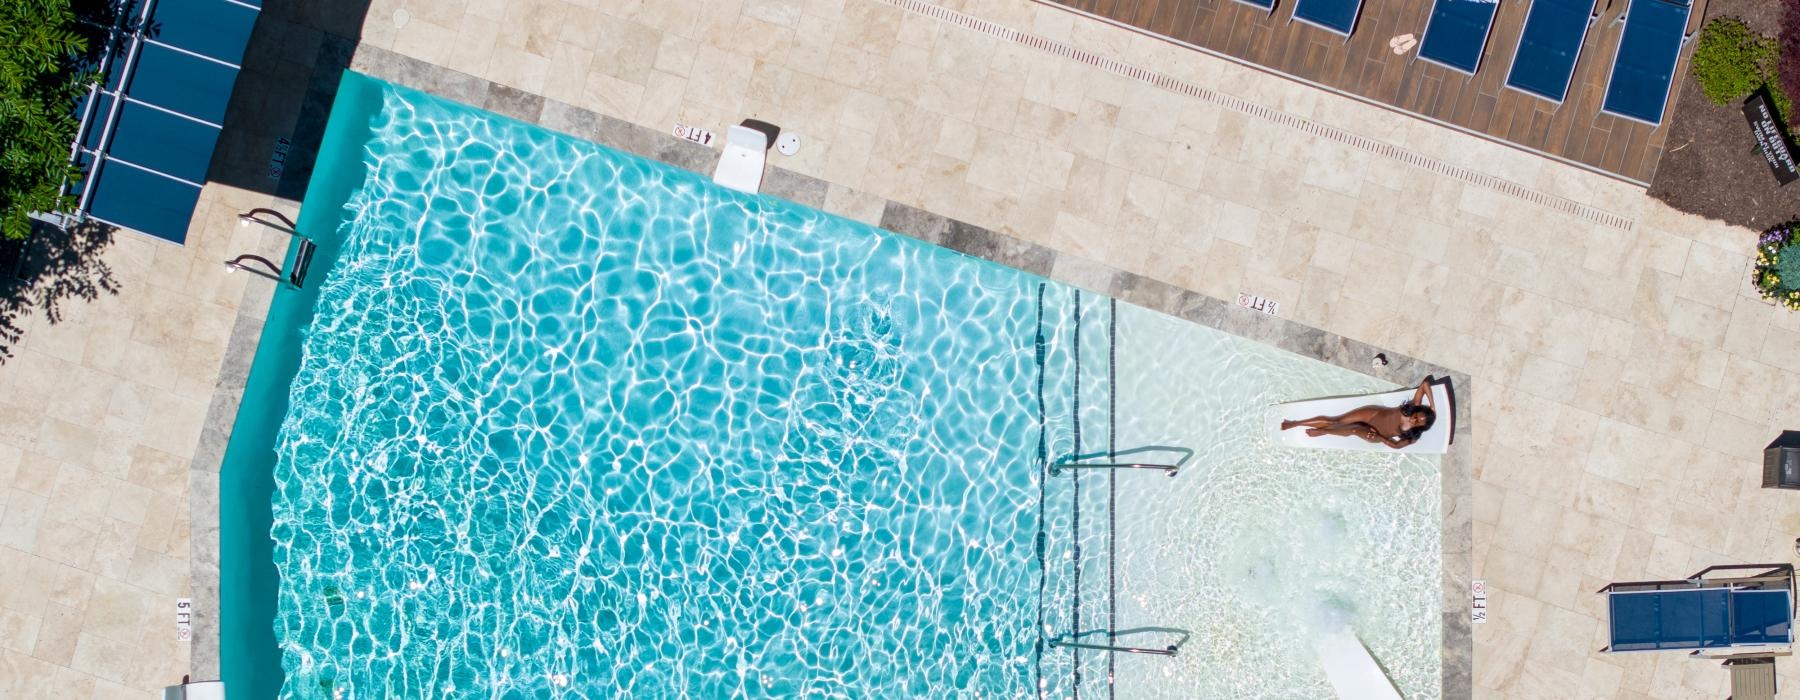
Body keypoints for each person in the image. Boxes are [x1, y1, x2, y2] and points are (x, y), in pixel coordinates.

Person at [1279, 377, 1437, 449]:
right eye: (1416, 416)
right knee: (1336, 420)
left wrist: (1379, 437)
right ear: (1418, 410)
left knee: (1354, 429)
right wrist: (1432, 406)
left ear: (1421, 427)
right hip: (1373, 414)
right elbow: (1425, 384)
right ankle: (1295, 423)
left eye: (1418, 422)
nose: (1414, 420)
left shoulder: (1412, 436)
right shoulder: (1414, 406)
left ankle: (1323, 431)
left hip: (1376, 433)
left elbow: (1395, 445)